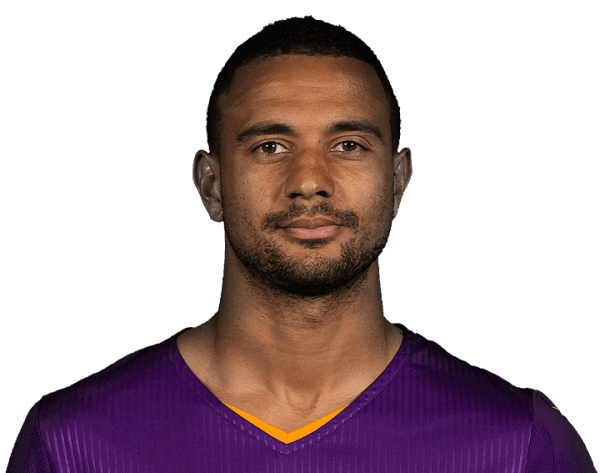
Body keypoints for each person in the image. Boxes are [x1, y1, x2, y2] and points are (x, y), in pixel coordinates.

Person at [7, 15, 596, 473]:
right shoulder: (74, 441)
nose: (310, 180)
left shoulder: (517, 442)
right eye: (270, 146)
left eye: (348, 145)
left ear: (397, 182)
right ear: (211, 185)